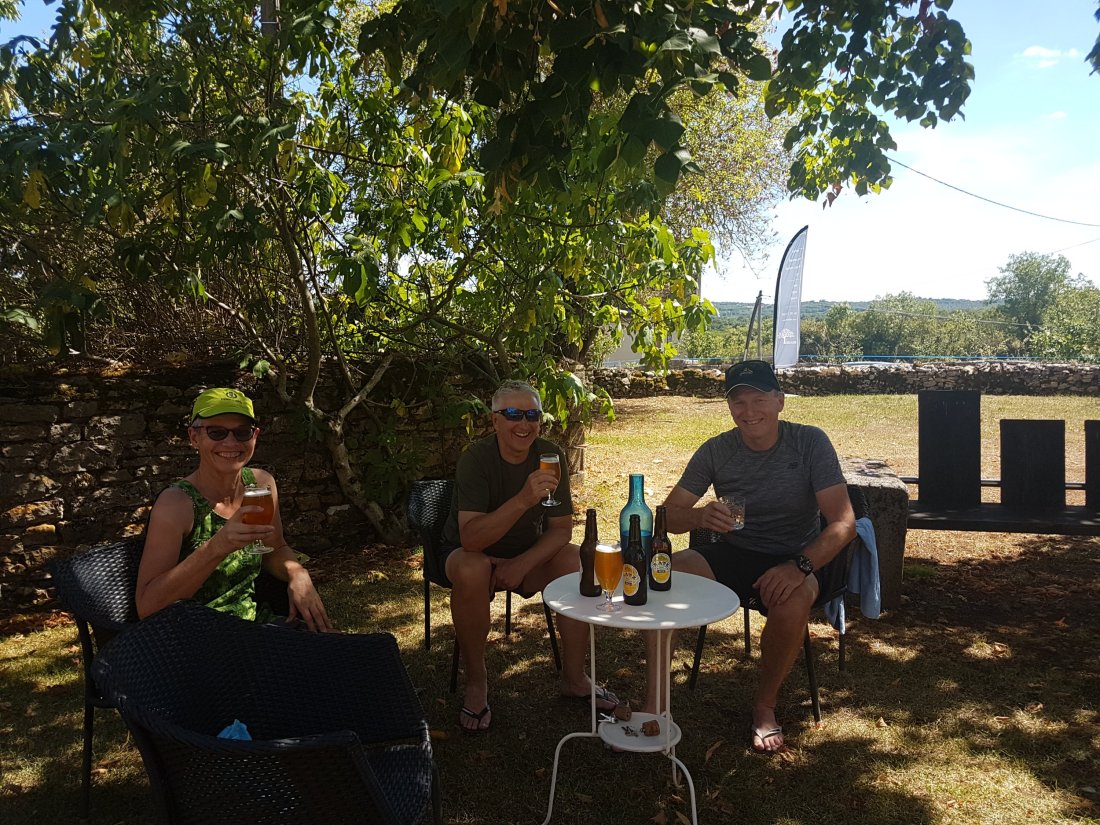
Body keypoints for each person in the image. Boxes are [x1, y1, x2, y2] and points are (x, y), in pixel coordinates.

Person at [644, 360, 855, 752]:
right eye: (739, 401)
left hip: (797, 556)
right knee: (666, 577)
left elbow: (844, 523)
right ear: (729, 406)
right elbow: (667, 516)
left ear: (780, 401)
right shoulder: (717, 449)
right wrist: (699, 516)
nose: (749, 410)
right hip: (735, 551)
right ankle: (654, 703)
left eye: (759, 399)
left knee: (791, 601)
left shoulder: (809, 442)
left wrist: (799, 566)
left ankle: (765, 707)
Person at [441, 380, 618, 733]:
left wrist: (521, 564)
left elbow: (561, 530)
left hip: (524, 555)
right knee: (474, 568)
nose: (524, 424)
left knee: (575, 563)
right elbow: (471, 539)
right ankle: (477, 681)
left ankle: (574, 678)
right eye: (513, 414)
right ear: (495, 420)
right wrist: (523, 499)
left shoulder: (550, 456)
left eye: (532, 415)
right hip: (468, 554)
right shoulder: (476, 459)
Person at [137, 387, 333, 631]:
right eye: (216, 432)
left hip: (253, 625)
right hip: (195, 634)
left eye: (242, 432)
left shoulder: (261, 484)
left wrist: (297, 572)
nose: (230, 442)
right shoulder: (176, 504)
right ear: (194, 437)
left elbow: (274, 548)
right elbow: (148, 606)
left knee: (344, 649)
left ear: (255, 436)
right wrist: (217, 546)